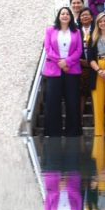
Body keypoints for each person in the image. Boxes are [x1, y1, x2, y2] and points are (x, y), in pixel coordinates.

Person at [43, 8, 83, 137]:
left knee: (72, 101)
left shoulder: (76, 32)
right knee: (53, 101)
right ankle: (53, 131)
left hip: (72, 70)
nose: (65, 16)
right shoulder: (50, 31)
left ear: (71, 17)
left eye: (67, 14)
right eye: (62, 14)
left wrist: (68, 62)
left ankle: (73, 132)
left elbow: (79, 50)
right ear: (58, 16)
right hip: (54, 71)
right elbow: (48, 49)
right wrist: (60, 62)